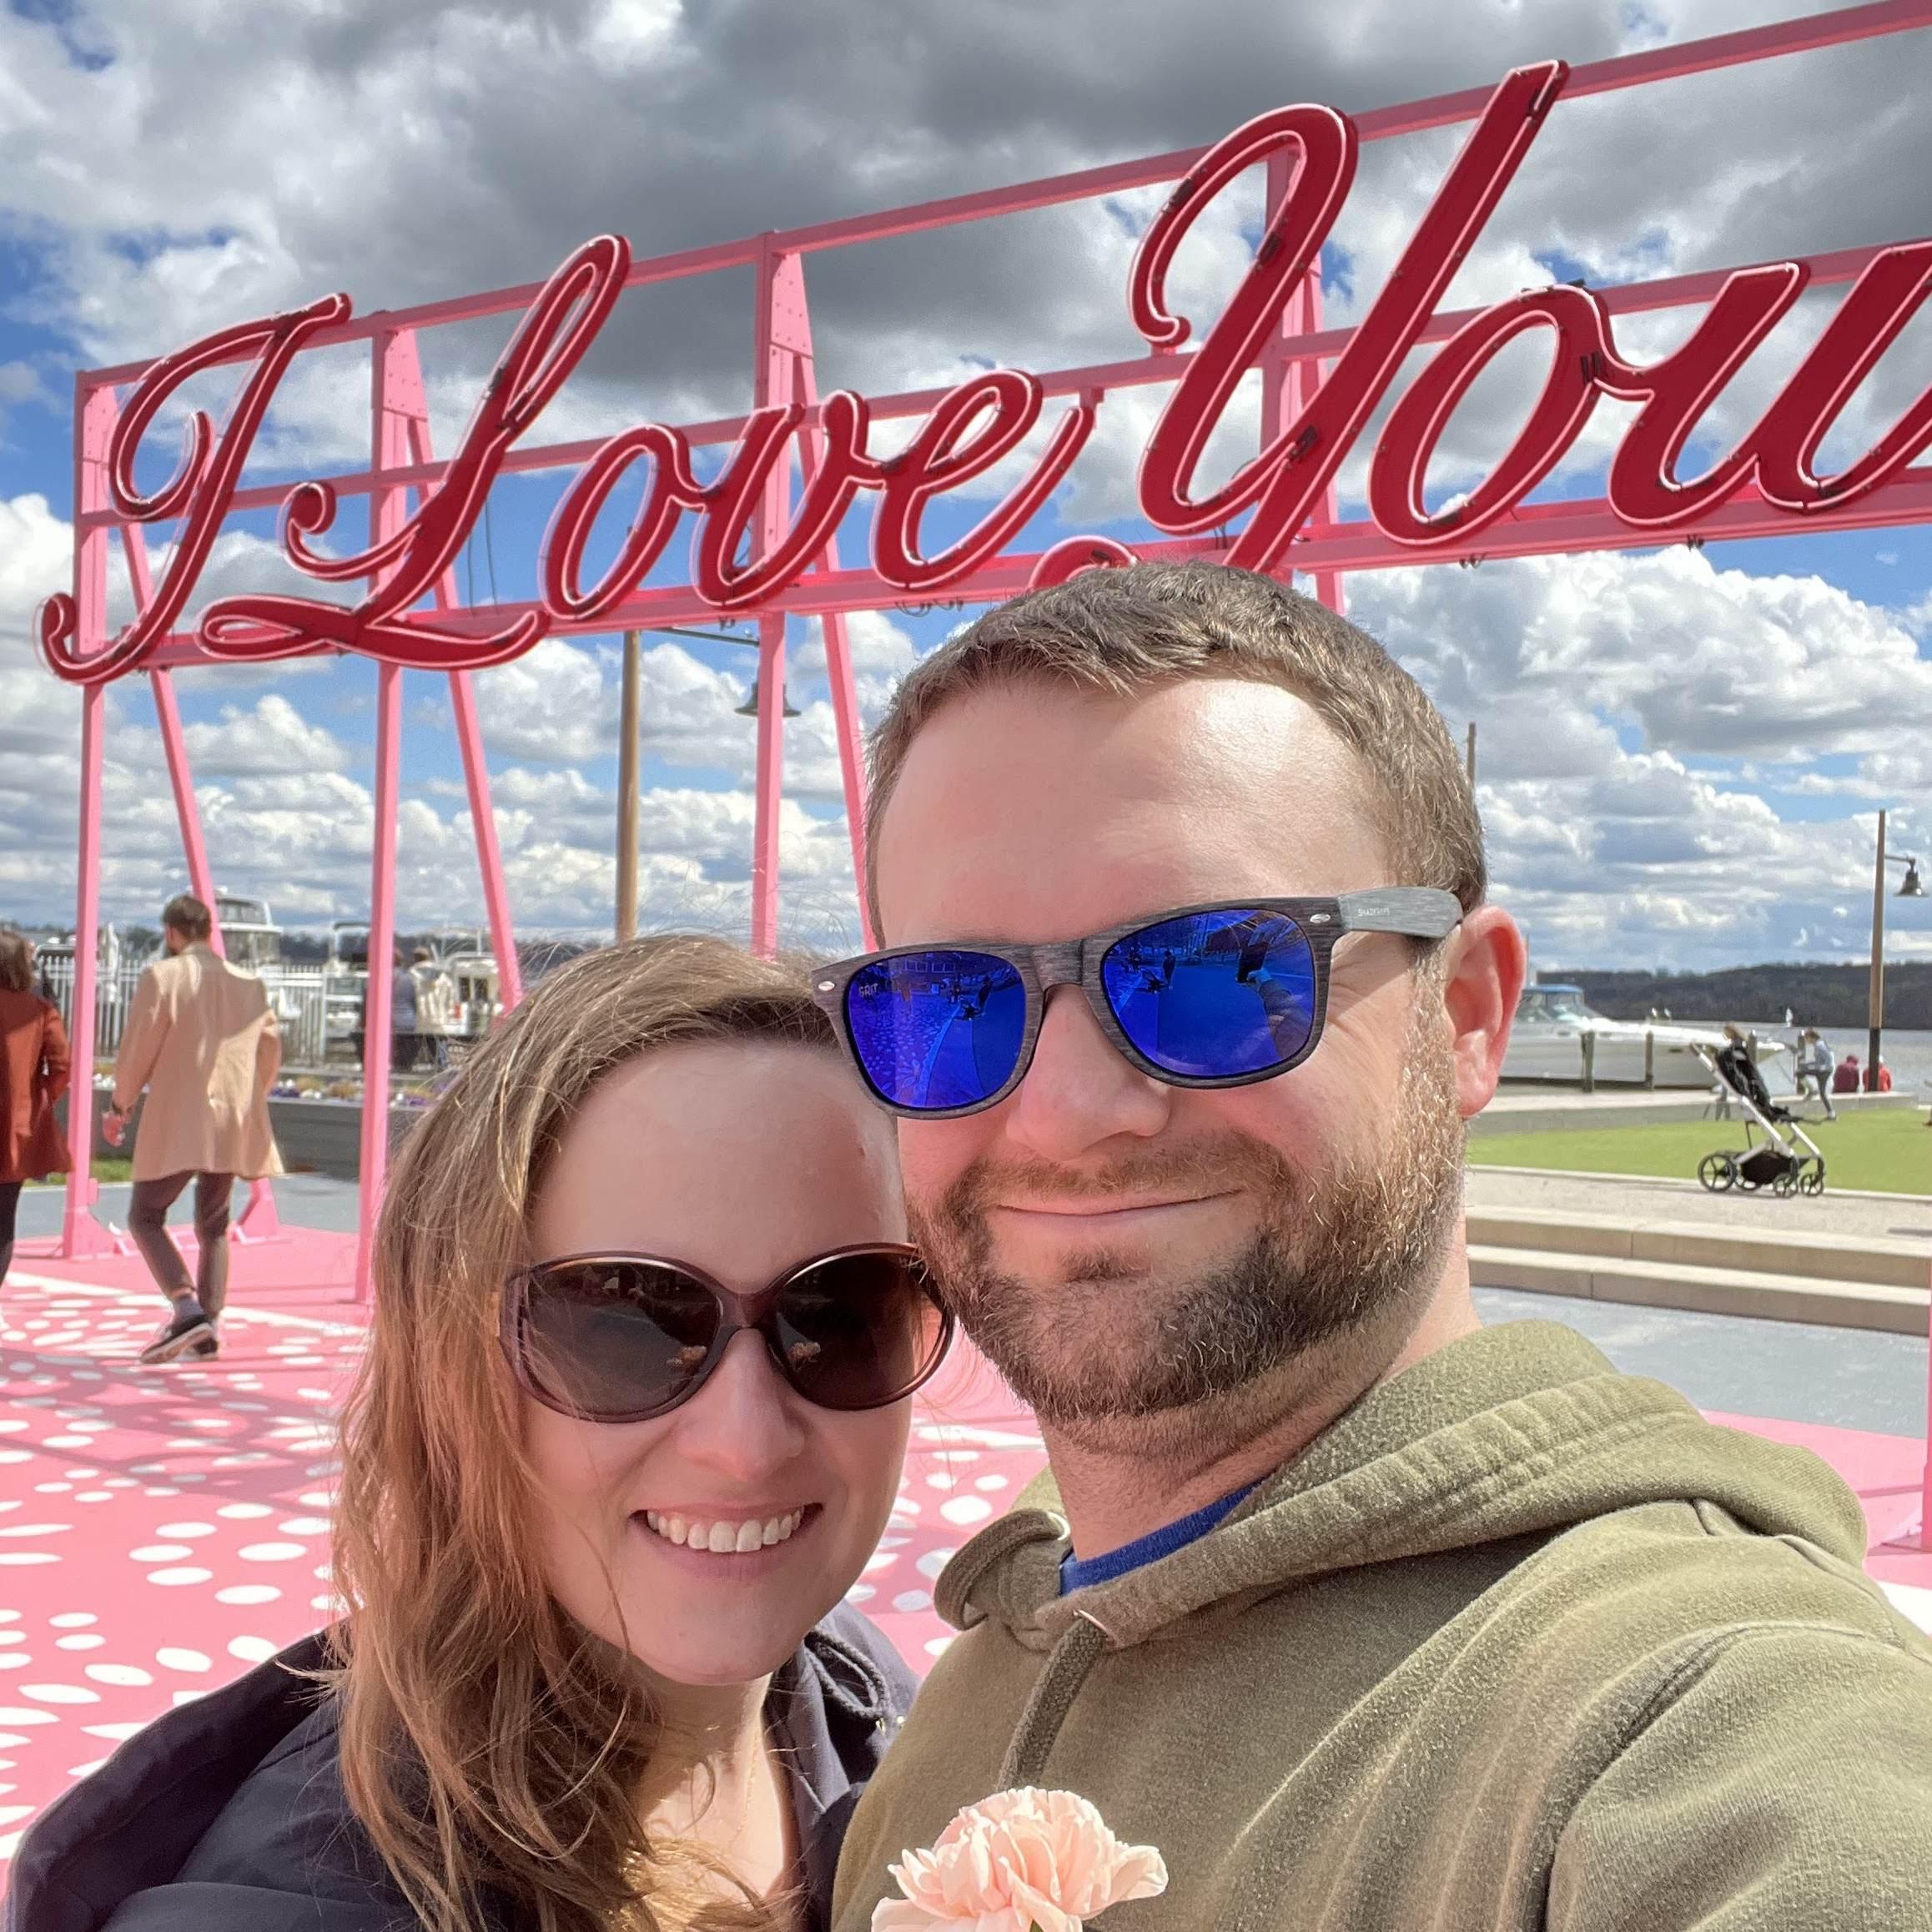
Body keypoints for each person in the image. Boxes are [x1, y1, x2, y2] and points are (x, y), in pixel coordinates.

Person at [818, 563, 1932, 1931]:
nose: (1063, 1114)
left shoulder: (1677, 1711)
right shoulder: (983, 1675)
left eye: (1223, 973)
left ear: (1464, 1013)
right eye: (951, 999)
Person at [10, 936, 946, 1932]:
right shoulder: (298, 1904)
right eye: (624, 1320)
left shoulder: (876, 1702)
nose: (747, 1442)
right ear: (451, 1369)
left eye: (844, 1312)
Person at [103, 894, 281, 1365]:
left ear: (172, 933)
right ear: (207, 929)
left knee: (145, 1214)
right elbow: (269, 1048)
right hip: (233, 1115)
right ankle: (210, 1324)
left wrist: (120, 1104)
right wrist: (251, 1093)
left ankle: (185, 1306)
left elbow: (140, 1045)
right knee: (214, 1224)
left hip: (180, 1113)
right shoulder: (249, 982)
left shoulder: (163, 976)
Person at [0, 928, 70, 1290]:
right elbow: (62, 1067)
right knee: (3, 1221)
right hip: (16, 1126)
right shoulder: (40, 1011)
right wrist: (39, 1096)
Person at [1794, 1027, 1836, 1119]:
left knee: (1799, 1072)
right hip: (1825, 1070)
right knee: (1822, 1094)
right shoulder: (1821, 1044)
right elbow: (1822, 1060)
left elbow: (1827, 1059)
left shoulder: (1819, 1046)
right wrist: (1808, 1064)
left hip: (1823, 1070)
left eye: (1807, 1038)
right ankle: (1831, 1114)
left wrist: (1808, 1065)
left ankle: (1812, 1090)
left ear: (1812, 1038)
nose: (1806, 1040)